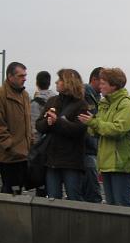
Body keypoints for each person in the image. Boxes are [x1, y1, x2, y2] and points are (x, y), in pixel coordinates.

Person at [78, 67, 130, 207]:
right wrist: (91, 124)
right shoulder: (106, 104)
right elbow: (99, 129)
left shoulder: (126, 104)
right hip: (107, 161)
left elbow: (118, 129)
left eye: (104, 83)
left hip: (121, 162)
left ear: (114, 85)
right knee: (111, 205)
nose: (100, 86)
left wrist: (93, 123)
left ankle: (125, 229)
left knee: (121, 204)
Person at [34, 68, 89, 201]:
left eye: (60, 80)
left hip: (71, 161)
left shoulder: (81, 105)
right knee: (53, 198)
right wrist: (48, 122)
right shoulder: (52, 101)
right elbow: (39, 125)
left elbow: (78, 130)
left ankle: (75, 222)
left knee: (74, 198)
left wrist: (57, 121)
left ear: (68, 83)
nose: (56, 82)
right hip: (52, 159)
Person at [0, 62, 32, 194]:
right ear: (10, 76)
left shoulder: (24, 95)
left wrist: (30, 142)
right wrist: (10, 145)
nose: (24, 78)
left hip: (24, 153)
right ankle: (5, 213)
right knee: (11, 190)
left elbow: (27, 122)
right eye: (21, 75)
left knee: (17, 189)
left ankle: (8, 212)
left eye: (25, 75)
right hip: (9, 155)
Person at [80, 67, 103, 203]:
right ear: (94, 80)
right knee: (92, 190)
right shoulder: (87, 96)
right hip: (88, 149)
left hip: (90, 149)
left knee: (88, 187)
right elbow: (89, 123)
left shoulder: (96, 97)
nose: (104, 84)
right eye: (103, 81)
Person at [30, 71, 57, 143]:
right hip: (55, 141)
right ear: (49, 83)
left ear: (36, 83)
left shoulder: (35, 103)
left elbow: (34, 127)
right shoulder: (57, 99)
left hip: (42, 144)